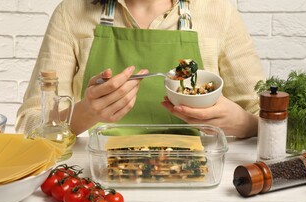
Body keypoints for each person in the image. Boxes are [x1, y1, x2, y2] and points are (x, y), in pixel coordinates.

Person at [15, 0, 265, 139]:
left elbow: (268, 115)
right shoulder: (71, 14)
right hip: (94, 175)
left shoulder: (219, 13)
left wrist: (244, 123)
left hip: (197, 176)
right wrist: (85, 113)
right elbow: (30, 123)